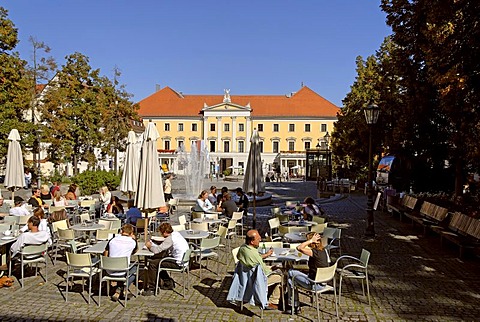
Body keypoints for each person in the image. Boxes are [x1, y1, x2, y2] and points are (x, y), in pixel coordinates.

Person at [237, 229, 283, 310]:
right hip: (257, 279)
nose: (260, 240)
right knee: (282, 277)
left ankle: (272, 295)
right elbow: (262, 271)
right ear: (252, 241)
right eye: (258, 239)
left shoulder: (244, 248)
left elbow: (255, 260)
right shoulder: (253, 253)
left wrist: (266, 255)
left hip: (248, 275)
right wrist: (272, 270)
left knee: (278, 270)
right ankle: (273, 301)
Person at [287, 232, 330, 313]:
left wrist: (310, 240)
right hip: (322, 282)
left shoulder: (315, 252)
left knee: (290, 272)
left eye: (308, 240)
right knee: (291, 280)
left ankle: (293, 305)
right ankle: (293, 305)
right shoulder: (323, 250)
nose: (307, 242)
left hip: (314, 284)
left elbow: (299, 248)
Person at [143, 222, 189, 296]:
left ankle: (152, 288)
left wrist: (149, 246)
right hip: (183, 260)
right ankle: (168, 282)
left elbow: (156, 250)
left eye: (161, 233)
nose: (161, 235)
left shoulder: (170, 239)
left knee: (153, 264)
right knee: (160, 261)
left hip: (178, 263)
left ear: (164, 232)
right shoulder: (176, 234)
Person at [103, 224, 138, 301]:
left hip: (109, 269)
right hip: (123, 270)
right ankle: (123, 288)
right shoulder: (132, 242)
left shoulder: (112, 240)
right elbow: (135, 251)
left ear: (121, 231)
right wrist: (134, 239)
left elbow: (106, 252)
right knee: (136, 268)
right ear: (131, 233)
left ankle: (118, 290)